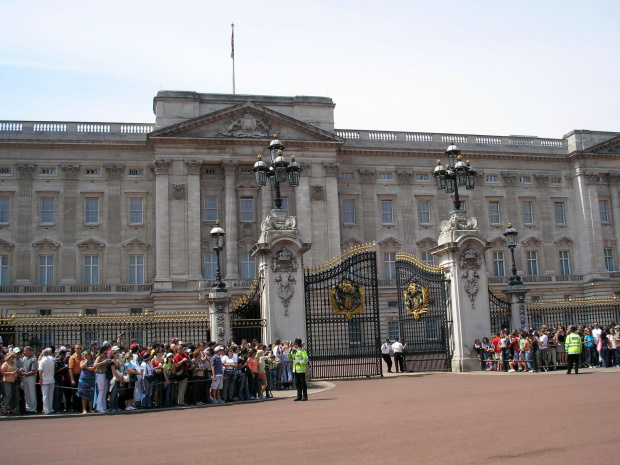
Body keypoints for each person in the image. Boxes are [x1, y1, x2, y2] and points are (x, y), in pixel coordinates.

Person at [21, 346, 38, 414]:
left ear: (29, 351)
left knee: (31, 393)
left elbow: (34, 370)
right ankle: (28, 407)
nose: (24, 352)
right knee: (27, 393)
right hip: (25, 376)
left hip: (31, 377)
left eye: (25, 351)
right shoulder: (25, 359)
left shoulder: (33, 359)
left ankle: (33, 408)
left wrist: (27, 373)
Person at [38, 348, 55, 414]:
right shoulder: (51, 359)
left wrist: (40, 379)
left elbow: (40, 371)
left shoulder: (42, 361)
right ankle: (50, 409)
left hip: (45, 379)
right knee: (50, 395)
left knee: (45, 396)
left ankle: (46, 409)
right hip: (51, 379)